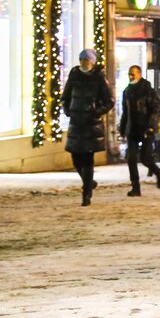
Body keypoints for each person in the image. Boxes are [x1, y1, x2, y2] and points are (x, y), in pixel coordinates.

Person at [62, 49, 113, 205]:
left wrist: (96, 112)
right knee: (75, 157)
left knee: (87, 158)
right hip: (76, 122)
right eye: (81, 59)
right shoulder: (74, 74)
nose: (83, 62)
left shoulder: (99, 77)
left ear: (92, 61)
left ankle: (86, 194)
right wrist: (67, 110)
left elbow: (109, 101)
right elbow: (66, 95)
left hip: (91, 124)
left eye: (86, 59)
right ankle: (89, 182)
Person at [119, 65, 160, 197]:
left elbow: (156, 109)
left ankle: (157, 172)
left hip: (145, 129)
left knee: (145, 158)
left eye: (133, 74)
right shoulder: (127, 91)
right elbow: (125, 112)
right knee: (131, 158)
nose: (131, 77)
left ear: (139, 74)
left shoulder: (147, 90)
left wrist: (151, 126)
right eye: (129, 74)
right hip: (132, 129)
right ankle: (135, 187)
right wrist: (123, 128)